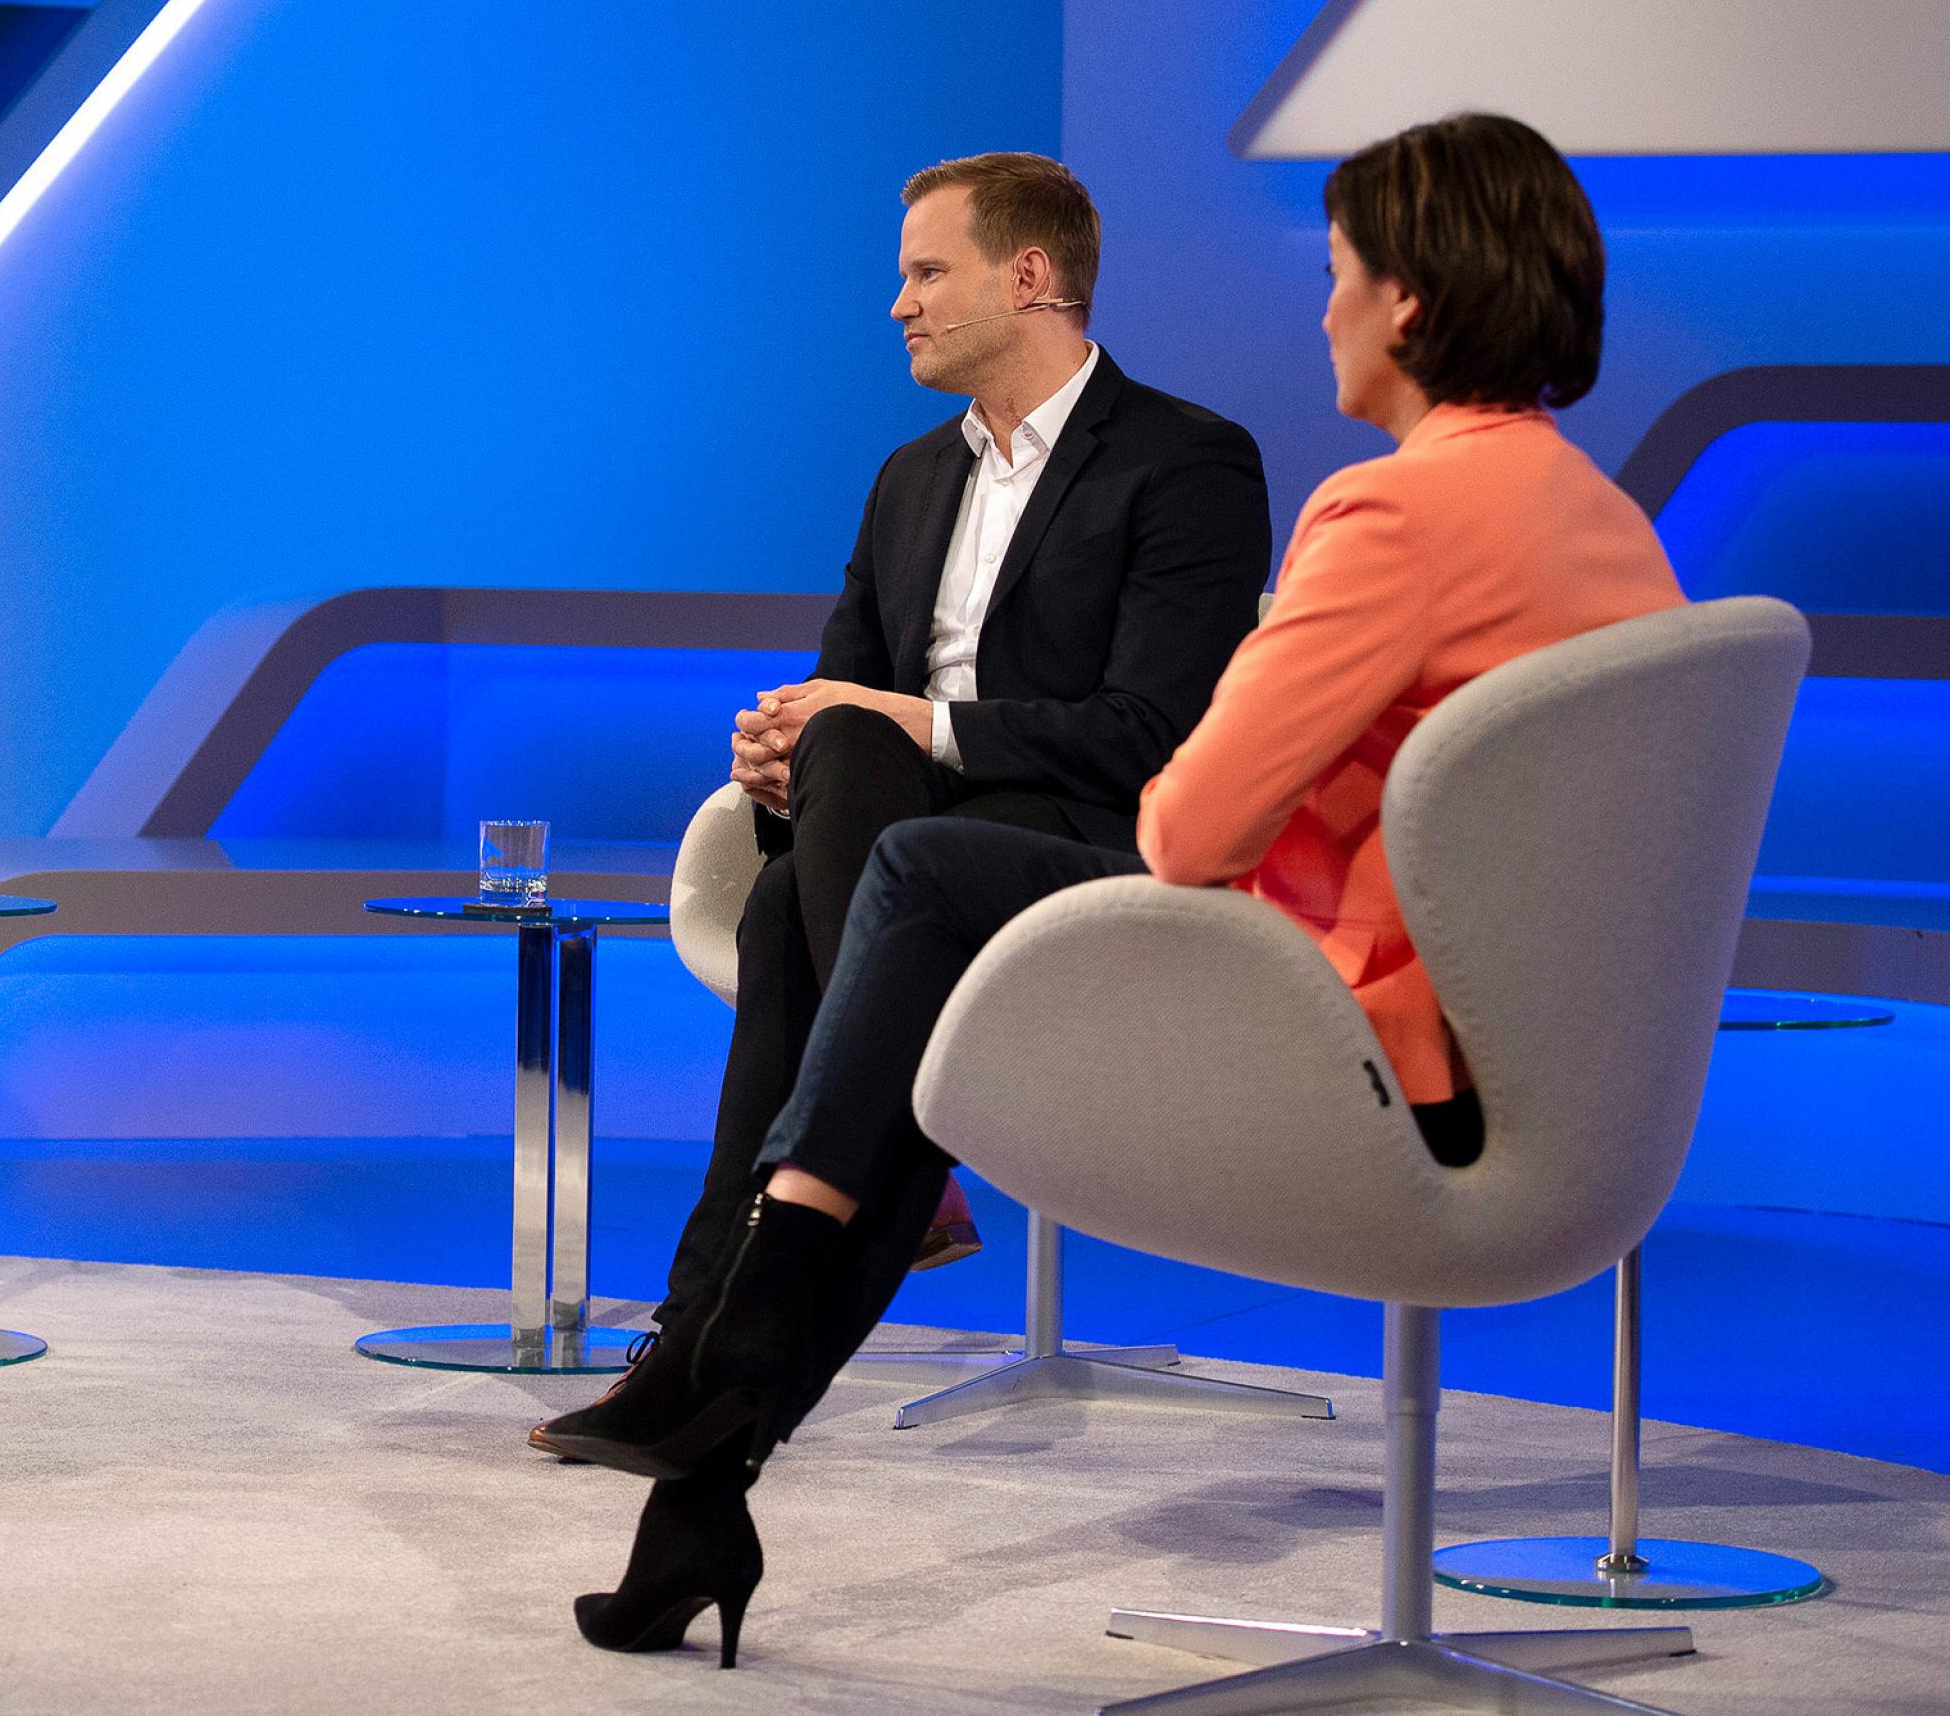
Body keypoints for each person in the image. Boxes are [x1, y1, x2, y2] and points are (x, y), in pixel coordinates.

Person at [545, 112, 1684, 1665]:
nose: (1324, 306)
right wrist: (813, 738)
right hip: (1562, 1065)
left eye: (1339, 272)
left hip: (1349, 1035)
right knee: (854, 853)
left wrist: (900, 733)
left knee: (903, 869)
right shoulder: (1610, 527)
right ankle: (733, 1370)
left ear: (1406, 301)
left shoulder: (1370, 505)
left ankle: (735, 1313)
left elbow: (1186, 816)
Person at [532, 153, 1270, 1460]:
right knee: (796, 867)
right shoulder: (906, 477)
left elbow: (1152, 734)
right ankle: (754, 1302)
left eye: (926, 272)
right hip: (886, 849)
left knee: (802, 888)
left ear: (1028, 277)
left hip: (1086, 848)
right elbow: (846, 689)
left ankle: (774, 1266)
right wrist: (779, 754)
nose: (898, 306)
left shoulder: (1186, 462)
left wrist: (895, 725)